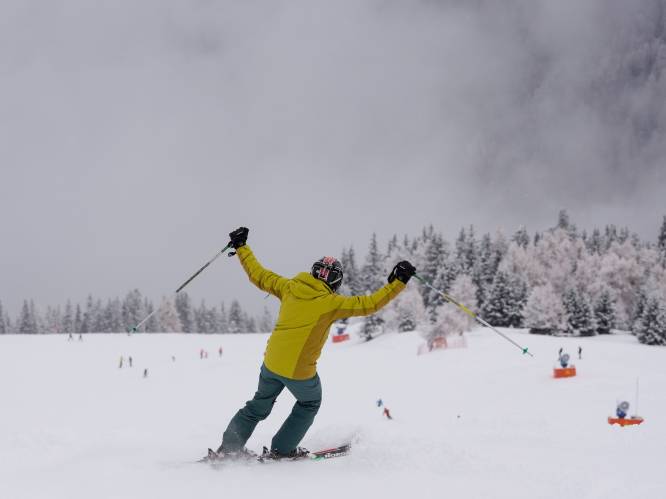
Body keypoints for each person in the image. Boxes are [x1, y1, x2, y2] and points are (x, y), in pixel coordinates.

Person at [209, 227, 414, 461]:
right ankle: (282, 450)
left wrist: (242, 246)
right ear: (336, 281)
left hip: (271, 363)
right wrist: (398, 282)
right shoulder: (331, 302)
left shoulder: (288, 287)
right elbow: (370, 304)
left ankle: (228, 449)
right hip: (299, 371)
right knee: (309, 402)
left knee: (257, 406)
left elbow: (259, 274)